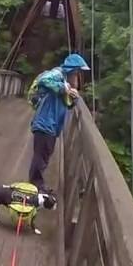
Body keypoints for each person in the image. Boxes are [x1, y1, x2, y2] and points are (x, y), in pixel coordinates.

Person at [27, 52, 90, 190]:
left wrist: (73, 98)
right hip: (44, 122)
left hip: (52, 126)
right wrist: (64, 89)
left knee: (45, 154)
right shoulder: (58, 75)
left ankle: (36, 185)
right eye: (77, 71)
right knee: (40, 156)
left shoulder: (66, 83)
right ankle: (35, 186)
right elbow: (44, 80)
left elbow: (67, 105)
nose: (78, 74)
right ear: (73, 70)